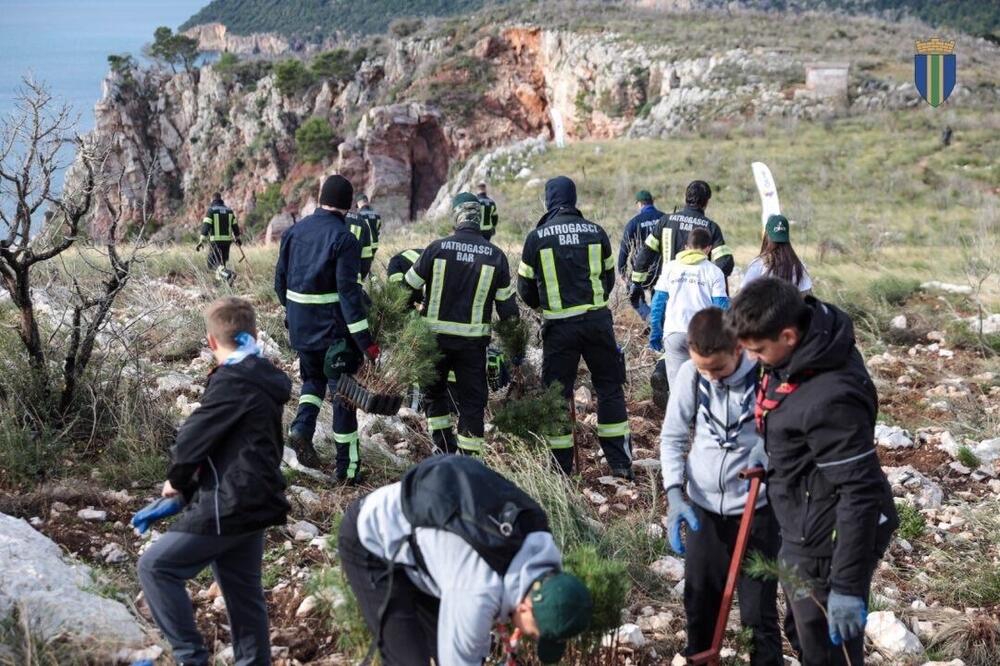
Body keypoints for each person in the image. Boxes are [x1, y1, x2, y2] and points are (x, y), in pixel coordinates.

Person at [726, 278, 899, 666]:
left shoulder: (831, 397)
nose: (753, 360)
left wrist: (847, 587)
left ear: (788, 335)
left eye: (758, 350)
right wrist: (771, 451)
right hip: (801, 513)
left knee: (825, 647)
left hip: (827, 538)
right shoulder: (800, 351)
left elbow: (860, 493)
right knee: (801, 630)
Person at [137, 297, 291, 666]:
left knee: (156, 567)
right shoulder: (261, 375)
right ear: (253, 335)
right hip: (258, 498)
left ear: (210, 342)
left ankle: (191, 658)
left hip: (231, 502)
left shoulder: (234, 380)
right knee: (243, 593)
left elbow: (194, 436)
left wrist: (176, 481)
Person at [338, 454, 593, 666]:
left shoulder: (543, 548)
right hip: (374, 541)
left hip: (431, 552)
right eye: (534, 633)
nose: (529, 637)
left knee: (450, 647)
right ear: (525, 607)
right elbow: (469, 630)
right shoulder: (478, 591)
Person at [660, 307, 781, 665]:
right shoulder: (690, 376)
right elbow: (673, 438)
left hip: (756, 510)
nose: (711, 377)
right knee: (699, 607)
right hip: (704, 510)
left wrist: (768, 453)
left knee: (758, 618)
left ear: (738, 349)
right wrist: (673, 494)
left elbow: (790, 436)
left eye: (718, 368)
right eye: (702, 367)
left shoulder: (765, 376)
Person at [517, 176, 632, 479]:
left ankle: (559, 469)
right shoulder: (596, 232)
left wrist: (546, 307)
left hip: (559, 327)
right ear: (574, 199)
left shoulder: (537, 237)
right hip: (597, 322)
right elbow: (608, 281)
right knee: (609, 388)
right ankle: (620, 462)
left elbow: (525, 289)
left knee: (556, 394)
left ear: (548, 200)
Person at [274, 174, 379, 482]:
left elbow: (280, 284)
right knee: (343, 397)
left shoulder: (293, 232)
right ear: (347, 206)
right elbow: (349, 296)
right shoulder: (345, 238)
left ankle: (301, 429)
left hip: (300, 330)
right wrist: (366, 343)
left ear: (321, 200)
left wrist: (294, 312)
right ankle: (347, 471)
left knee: (312, 380)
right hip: (334, 334)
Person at [404, 193, 519, 454]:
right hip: (473, 346)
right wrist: (517, 350)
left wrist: (411, 316)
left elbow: (406, 287)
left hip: (433, 341)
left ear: (456, 217)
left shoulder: (436, 248)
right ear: (479, 219)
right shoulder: (496, 256)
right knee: (472, 403)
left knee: (433, 394)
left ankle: (443, 446)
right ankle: (469, 462)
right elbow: (509, 311)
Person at [649, 227, 730, 389]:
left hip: (674, 334)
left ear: (686, 246)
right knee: (705, 388)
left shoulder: (670, 268)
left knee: (678, 389)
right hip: (703, 337)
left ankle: (679, 413)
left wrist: (655, 333)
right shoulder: (714, 272)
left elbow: (658, 303)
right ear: (708, 249)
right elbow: (721, 308)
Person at [630, 180, 733, 295]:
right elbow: (725, 263)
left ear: (686, 198)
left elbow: (646, 252)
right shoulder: (711, 227)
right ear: (706, 202)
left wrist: (637, 283)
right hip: (698, 296)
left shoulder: (665, 221)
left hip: (668, 293)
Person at [618, 190, 664, 320]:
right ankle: (658, 320)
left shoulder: (634, 222)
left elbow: (624, 248)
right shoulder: (664, 218)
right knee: (659, 299)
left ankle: (650, 318)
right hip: (663, 269)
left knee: (635, 297)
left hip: (641, 270)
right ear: (652, 202)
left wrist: (622, 270)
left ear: (639, 204)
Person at [743, 214, 812, 294]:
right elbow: (807, 295)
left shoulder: (758, 264)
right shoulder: (798, 265)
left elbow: (743, 295)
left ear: (766, 236)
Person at [196, 192, 242, 282]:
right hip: (226, 243)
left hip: (216, 242)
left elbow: (206, 226)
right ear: (220, 199)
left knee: (211, 264)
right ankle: (224, 284)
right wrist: (238, 238)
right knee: (221, 264)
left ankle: (229, 274)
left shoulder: (211, 210)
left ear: (213, 199)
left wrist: (201, 241)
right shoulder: (229, 211)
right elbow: (235, 226)